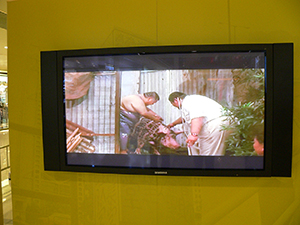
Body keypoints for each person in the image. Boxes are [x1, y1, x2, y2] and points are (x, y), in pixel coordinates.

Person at [168, 91, 228, 156]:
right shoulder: (193, 100)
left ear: (175, 100)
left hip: (216, 125)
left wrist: (194, 135)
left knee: (209, 154)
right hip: (224, 123)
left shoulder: (188, 102)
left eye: (172, 104)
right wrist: (173, 124)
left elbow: (197, 117)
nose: (175, 106)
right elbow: (185, 117)